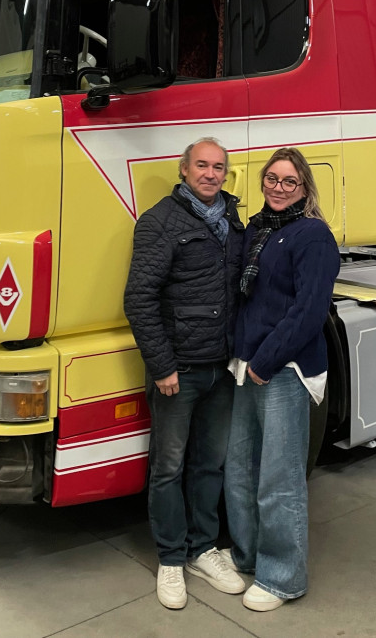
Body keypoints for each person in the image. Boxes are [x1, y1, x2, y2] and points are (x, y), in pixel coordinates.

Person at [124, 138, 246, 610]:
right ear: (184, 169)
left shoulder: (233, 221)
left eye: (219, 167)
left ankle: (202, 549)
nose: (211, 174)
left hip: (222, 368)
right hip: (180, 371)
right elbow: (139, 299)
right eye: (202, 165)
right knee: (168, 468)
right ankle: (171, 559)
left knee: (208, 464)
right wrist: (163, 365)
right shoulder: (160, 221)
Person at [223, 147, 340, 612]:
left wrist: (265, 361)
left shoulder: (313, 236)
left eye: (289, 181)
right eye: (272, 178)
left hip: (284, 371)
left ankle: (281, 576)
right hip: (246, 366)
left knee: (278, 478)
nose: (277, 187)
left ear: (305, 188)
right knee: (240, 471)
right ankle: (248, 557)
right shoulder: (257, 230)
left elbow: (309, 311)